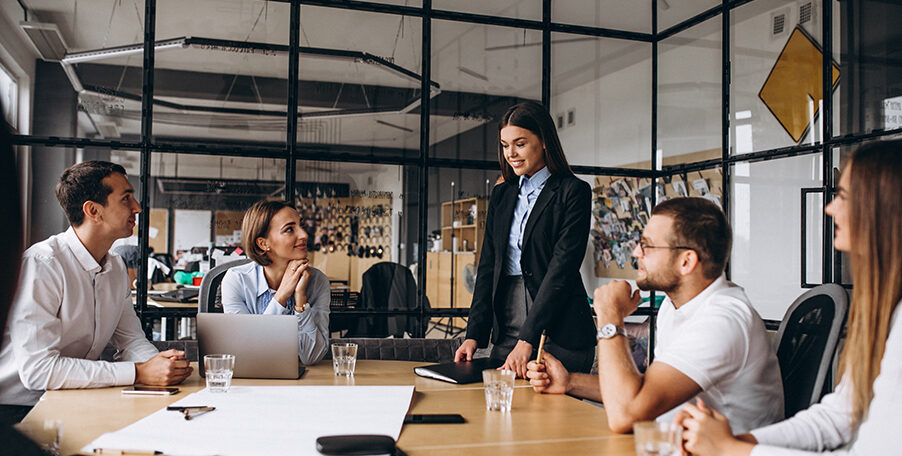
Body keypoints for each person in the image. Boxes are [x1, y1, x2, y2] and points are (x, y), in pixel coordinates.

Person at [677, 142, 902, 455]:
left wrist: (730, 449)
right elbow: (835, 419)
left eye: (844, 196)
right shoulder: (887, 310)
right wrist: (734, 442)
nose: (830, 208)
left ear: (884, 208)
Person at [526, 197, 783, 434]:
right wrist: (570, 382)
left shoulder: (722, 321)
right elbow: (644, 391)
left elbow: (626, 415)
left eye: (647, 246)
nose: (636, 253)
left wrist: (610, 317)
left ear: (686, 261)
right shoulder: (675, 306)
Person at [0, 161, 192, 422]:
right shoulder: (43, 264)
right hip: (17, 409)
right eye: (126, 198)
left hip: (73, 398)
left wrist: (160, 366)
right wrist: (139, 372)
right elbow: (38, 371)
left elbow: (130, 341)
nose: (137, 207)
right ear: (93, 210)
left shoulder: (116, 267)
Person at [454, 101, 596, 377]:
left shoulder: (573, 192)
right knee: (497, 400)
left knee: (548, 404)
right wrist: (474, 334)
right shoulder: (502, 194)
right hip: (508, 322)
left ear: (543, 141)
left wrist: (527, 339)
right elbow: (488, 266)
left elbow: (562, 270)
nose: (511, 153)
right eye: (505, 145)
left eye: (520, 144)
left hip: (560, 328)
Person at [220, 199, 330, 365]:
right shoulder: (237, 280)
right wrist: (281, 296)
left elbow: (311, 357)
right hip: (251, 377)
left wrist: (300, 300)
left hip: (305, 378)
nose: (304, 235)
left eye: (301, 226)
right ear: (263, 243)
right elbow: (250, 351)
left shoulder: (317, 281)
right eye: (289, 229)